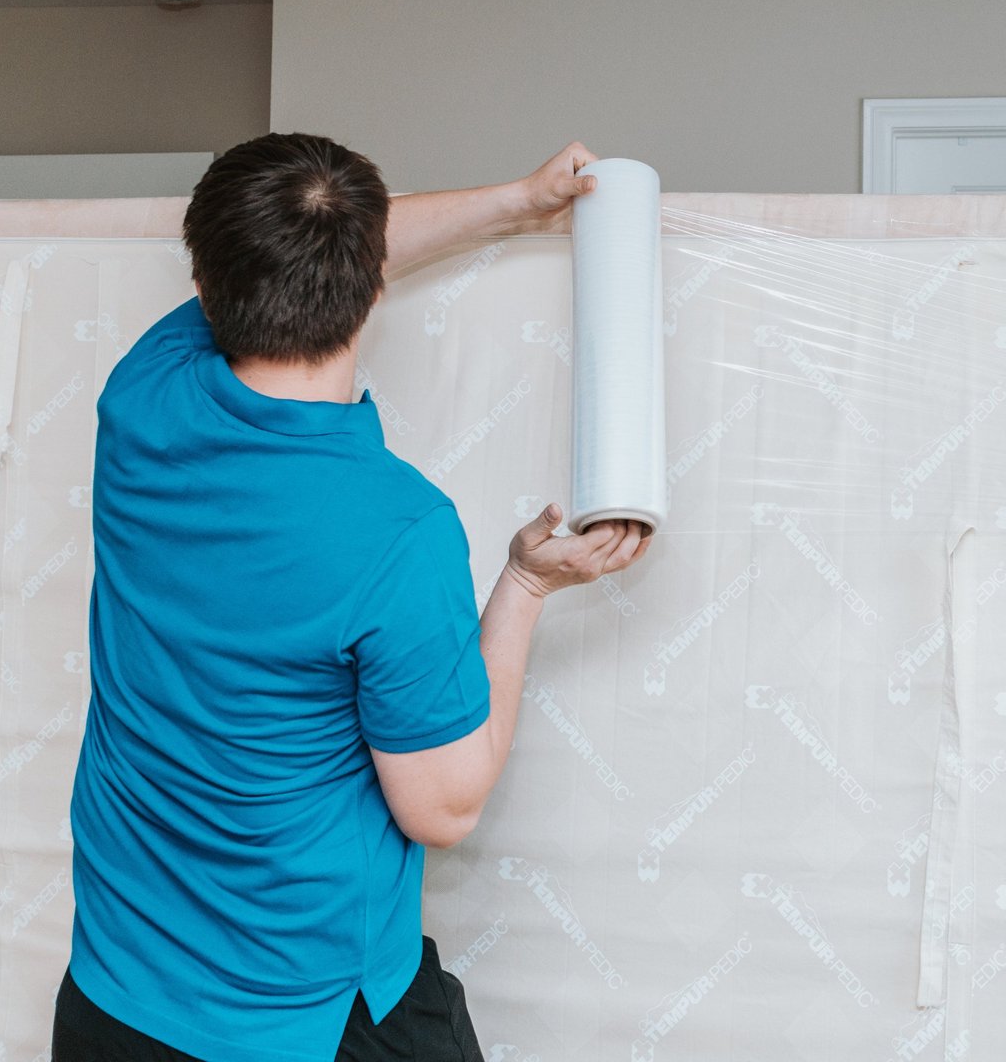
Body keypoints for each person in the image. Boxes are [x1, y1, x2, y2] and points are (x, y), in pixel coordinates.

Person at [54, 135, 649, 1062]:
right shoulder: (396, 530)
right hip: (305, 1016)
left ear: (206, 287)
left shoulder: (142, 395)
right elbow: (442, 810)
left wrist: (517, 201)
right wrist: (528, 582)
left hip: (116, 993)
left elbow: (292, 256)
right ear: (373, 288)